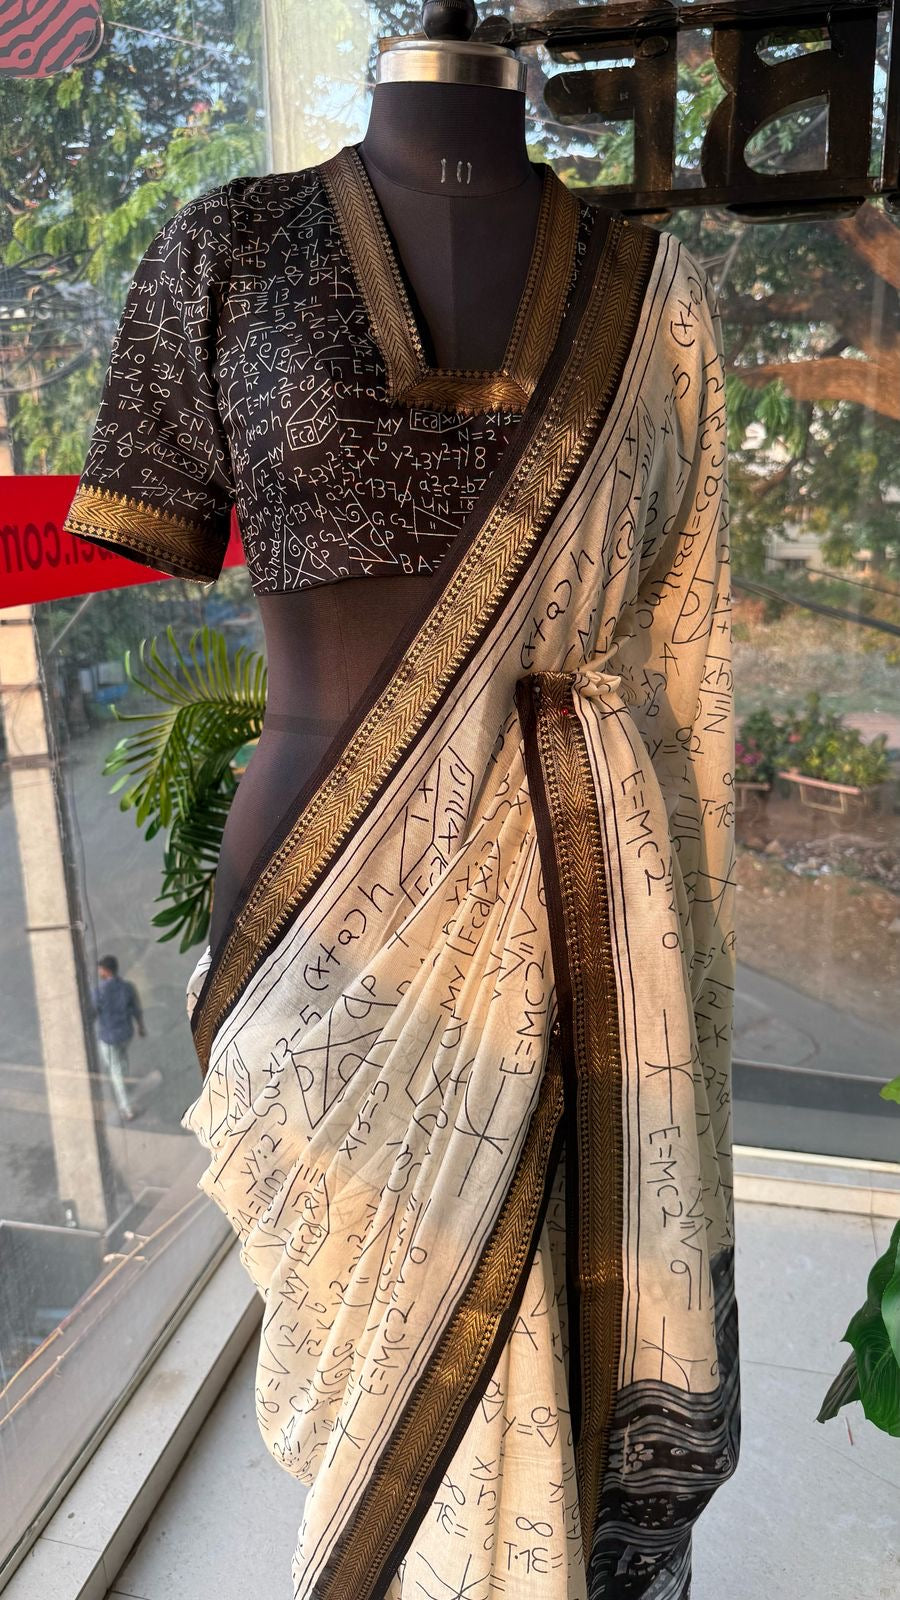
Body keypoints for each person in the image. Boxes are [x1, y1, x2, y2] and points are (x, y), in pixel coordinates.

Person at [62, 26, 741, 1600]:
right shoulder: (226, 248)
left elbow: (682, 648)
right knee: (367, 1362)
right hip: (320, 898)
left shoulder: (656, 292)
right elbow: (157, 519)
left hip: (585, 890)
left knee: (550, 1320)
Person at [91, 954, 145, 1122]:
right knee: (122, 1059)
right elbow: (136, 1009)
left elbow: (92, 1012)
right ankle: (125, 1081)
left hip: (108, 1037)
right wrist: (141, 1027)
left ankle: (126, 1108)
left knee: (114, 1071)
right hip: (126, 1034)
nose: (99, 972)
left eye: (100, 969)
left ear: (106, 971)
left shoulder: (99, 992)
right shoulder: (127, 987)